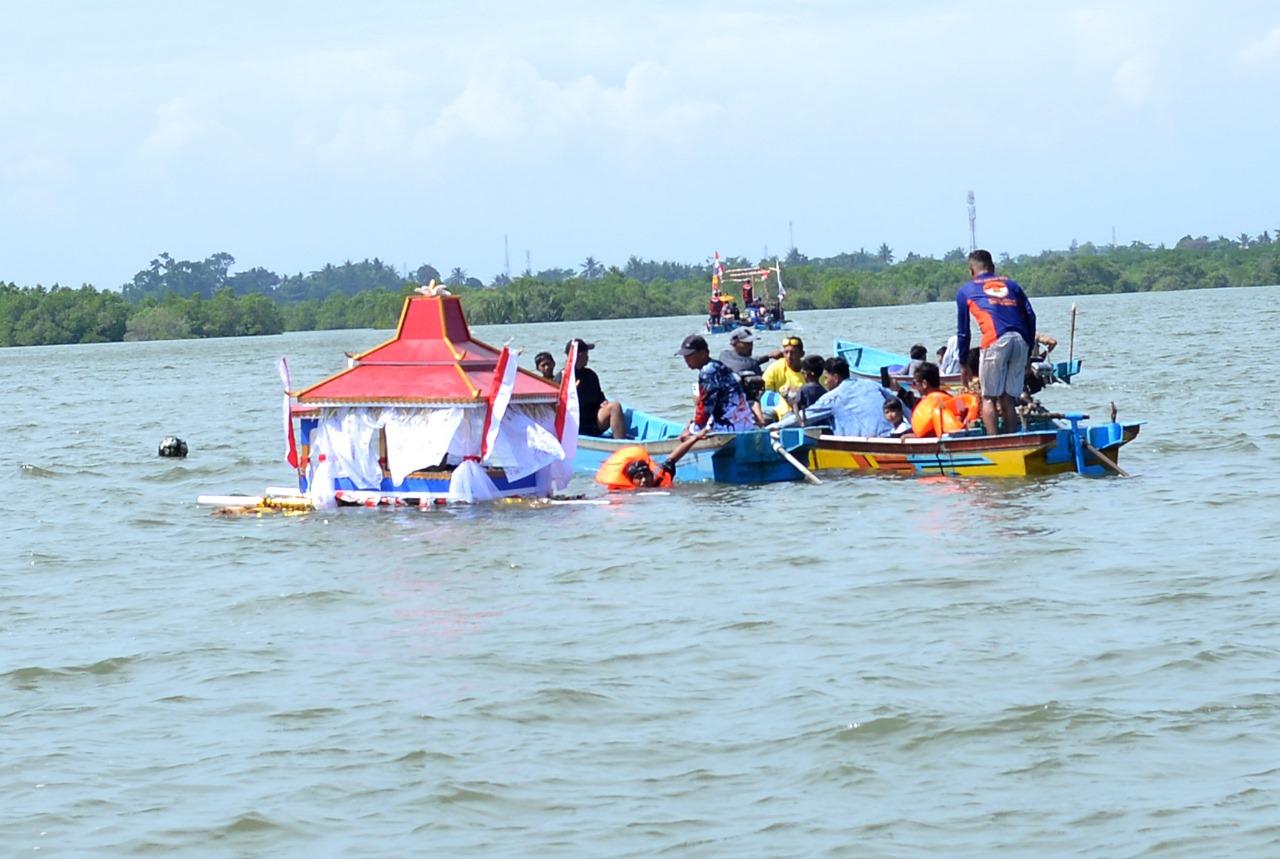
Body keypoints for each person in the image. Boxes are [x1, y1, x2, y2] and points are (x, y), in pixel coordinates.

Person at [956, 249, 1037, 435]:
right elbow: (1031, 317)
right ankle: (1012, 439)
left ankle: (994, 443)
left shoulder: (965, 291)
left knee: (989, 398)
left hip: (995, 340)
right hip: (1020, 341)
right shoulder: (1012, 285)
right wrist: (1029, 351)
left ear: (971, 270)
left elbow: (963, 332)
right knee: (1008, 399)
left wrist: (963, 363)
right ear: (993, 267)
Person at [768, 357, 896, 437]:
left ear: (836, 377)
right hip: (893, 434)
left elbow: (804, 416)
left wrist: (773, 427)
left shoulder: (833, 397)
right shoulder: (871, 383)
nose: (825, 382)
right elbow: (898, 404)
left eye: (827, 378)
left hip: (866, 441)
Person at [674, 334, 756, 437]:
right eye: (685, 356)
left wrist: (692, 430)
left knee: (686, 434)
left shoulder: (708, 372)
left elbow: (706, 407)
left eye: (690, 355)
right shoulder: (718, 365)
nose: (686, 359)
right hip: (744, 424)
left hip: (730, 429)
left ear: (703, 353)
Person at [594, 427, 710, 490]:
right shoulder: (620, 492)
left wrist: (696, 438)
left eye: (646, 475)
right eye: (638, 478)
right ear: (630, 480)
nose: (644, 480)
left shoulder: (659, 478)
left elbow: (674, 457)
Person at [566, 338, 627, 439]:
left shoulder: (591, 375)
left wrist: (603, 402)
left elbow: (600, 397)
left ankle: (620, 444)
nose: (588, 357)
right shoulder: (563, 378)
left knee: (615, 407)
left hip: (594, 421)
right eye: (586, 354)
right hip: (575, 426)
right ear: (580, 355)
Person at [909, 362, 968, 438]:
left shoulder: (937, 402)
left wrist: (916, 436)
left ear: (924, 384)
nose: (915, 387)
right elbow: (961, 408)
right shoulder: (953, 398)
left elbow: (946, 428)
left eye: (915, 383)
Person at [763, 335, 807, 399]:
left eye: (793, 352)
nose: (789, 356)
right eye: (786, 352)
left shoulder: (810, 371)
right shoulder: (774, 368)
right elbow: (765, 395)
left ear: (802, 354)